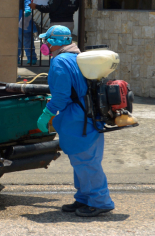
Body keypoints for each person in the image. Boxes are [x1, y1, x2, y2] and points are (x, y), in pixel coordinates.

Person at [37, 25, 115, 217]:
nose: (44, 44)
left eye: (46, 40)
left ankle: (100, 202)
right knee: (83, 160)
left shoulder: (60, 62)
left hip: (77, 118)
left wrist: (47, 113)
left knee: (86, 162)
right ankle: (84, 198)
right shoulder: (77, 58)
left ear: (54, 43)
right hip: (90, 115)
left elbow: (61, 96)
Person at [19, 0, 37, 65]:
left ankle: (31, 58)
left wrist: (27, 9)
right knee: (14, 43)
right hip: (13, 21)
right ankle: (14, 59)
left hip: (23, 19)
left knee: (27, 41)